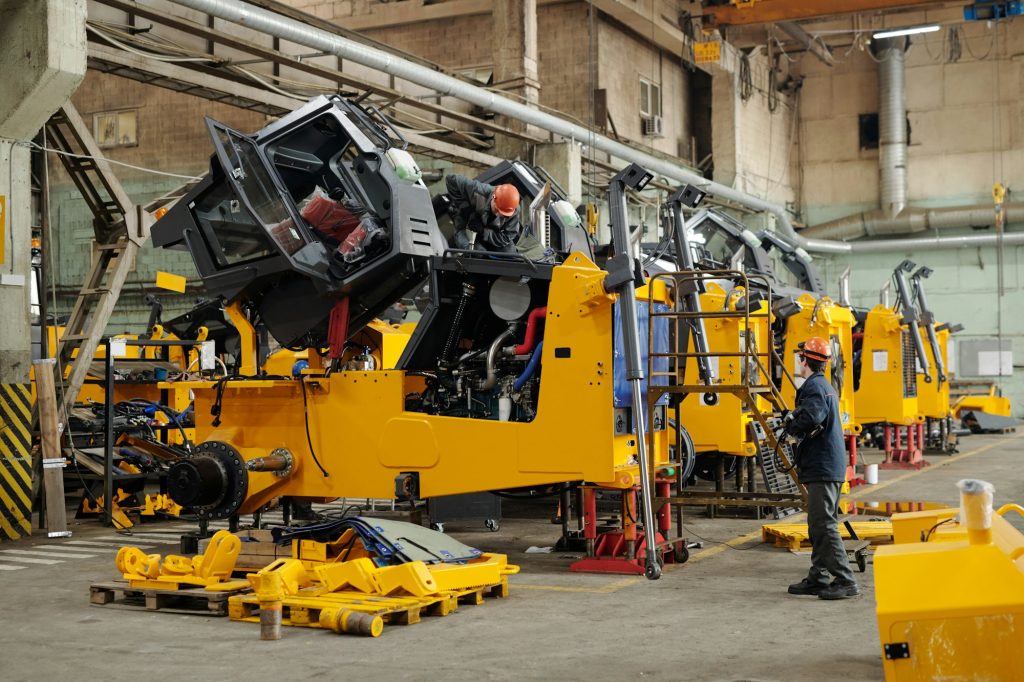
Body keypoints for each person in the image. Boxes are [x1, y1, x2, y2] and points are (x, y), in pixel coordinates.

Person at [784, 336, 860, 600]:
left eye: (800, 356)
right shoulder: (824, 384)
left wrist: (792, 420)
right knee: (817, 523)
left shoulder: (814, 386)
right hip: (826, 464)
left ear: (804, 359)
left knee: (824, 524)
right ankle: (819, 577)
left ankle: (845, 580)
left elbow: (813, 416)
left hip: (823, 466)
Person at [445, 174, 522, 252]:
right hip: (466, 225)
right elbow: (450, 180)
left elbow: (506, 237)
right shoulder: (478, 190)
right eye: (497, 209)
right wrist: (467, 210)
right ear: (493, 197)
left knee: (512, 256)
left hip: (489, 232)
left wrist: (483, 232)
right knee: (477, 252)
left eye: (503, 214)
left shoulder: (513, 210)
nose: (498, 214)